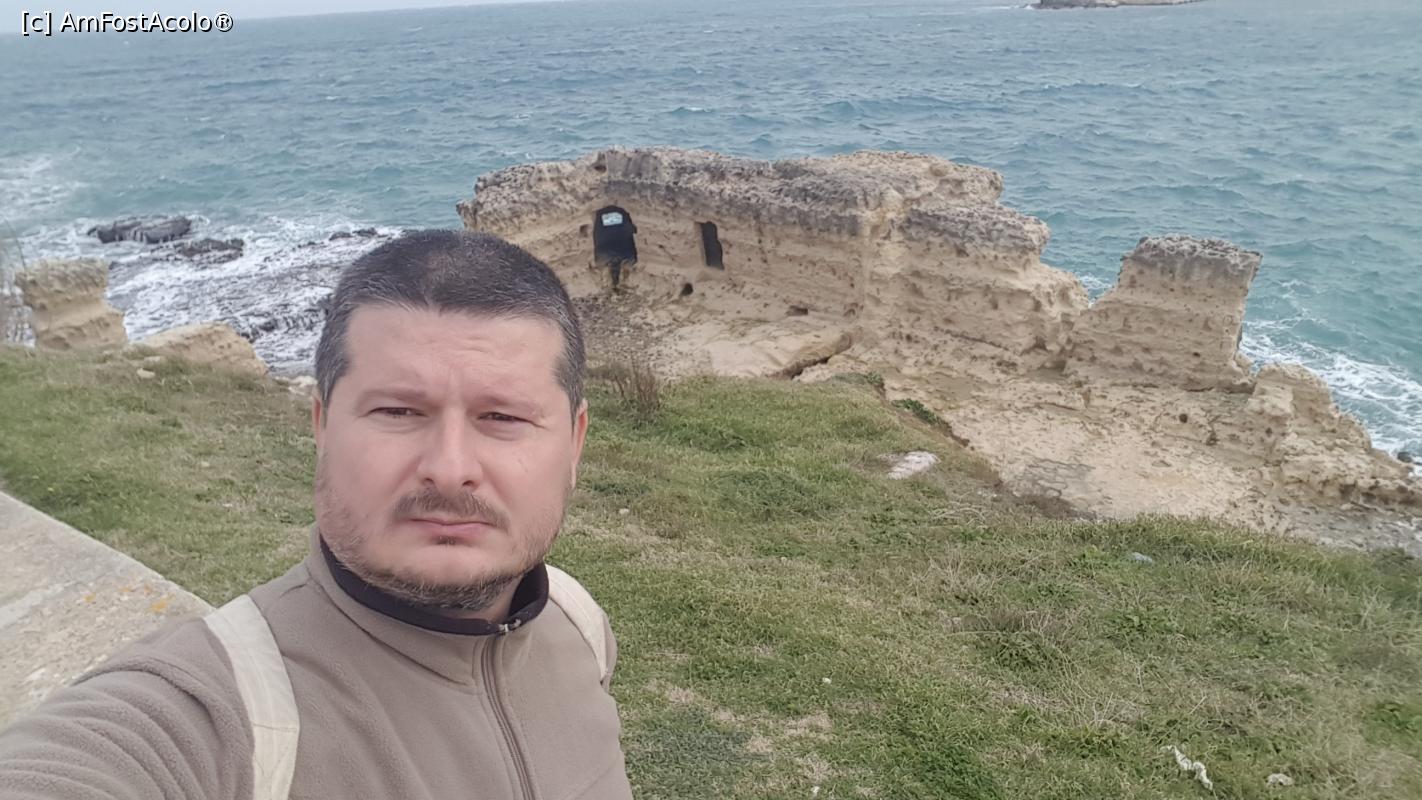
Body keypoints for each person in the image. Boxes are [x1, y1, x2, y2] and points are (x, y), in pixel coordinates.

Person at [0, 230, 633, 799]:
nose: (449, 467)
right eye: (397, 411)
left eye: (502, 417)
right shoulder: (210, 717)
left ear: (574, 444)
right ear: (323, 426)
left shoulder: (577, 626)